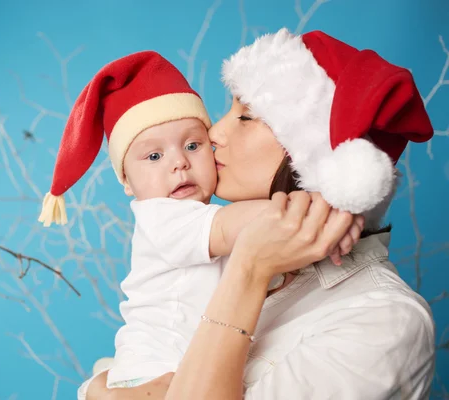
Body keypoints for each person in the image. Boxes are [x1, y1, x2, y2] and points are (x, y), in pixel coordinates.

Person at [84, 28, 437, 399]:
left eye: (246, 117)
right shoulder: (214, 243)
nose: (214, 133)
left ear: (309, 154)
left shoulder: (382, 322)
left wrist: (249, 270)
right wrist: (96, 389)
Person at [36, 51, 362, 395]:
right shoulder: (161, 217)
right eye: (154, 156)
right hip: (152, 374)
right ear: (127, 182)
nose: (179, 162)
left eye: (193, 144)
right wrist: (317, 208)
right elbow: (238, 225)